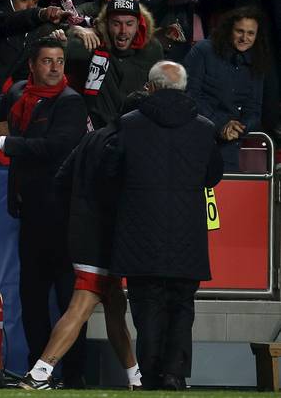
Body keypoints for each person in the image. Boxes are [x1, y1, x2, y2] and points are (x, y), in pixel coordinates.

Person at [0, 37, 89, 387]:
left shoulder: (71, 104)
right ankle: (40, 370)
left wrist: (2, 143)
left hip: (62, 215)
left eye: (59, 61)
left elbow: (55, 148)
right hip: (31, 214)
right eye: (47, 61)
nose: (55, 68)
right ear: (32, 66)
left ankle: (73, 375)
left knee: (67, 297)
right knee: (31, 296)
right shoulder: (20, 92)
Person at [109, 61, 224, 390]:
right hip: (188, 235)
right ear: (184, 88)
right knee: (182, 306)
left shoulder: (129, 125)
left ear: (152, 87)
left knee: (147, 307)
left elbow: (112, 170)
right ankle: (175, 374)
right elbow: (212, 175)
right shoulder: (204, 128)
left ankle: (152, 373)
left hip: (140, 234)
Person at [18, 92, 144, 390]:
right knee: (82, 304)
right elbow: (117, 193)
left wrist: (79, 216)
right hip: (102, 239)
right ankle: (40, 373)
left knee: (115, 305)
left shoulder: (93, 137)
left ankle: (135, 378)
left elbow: (62, 180)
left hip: (84, 233)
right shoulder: (123, 144)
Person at [183, 7, 267, 172]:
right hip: (197, 139)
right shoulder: (203, 51)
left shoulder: (257, 61)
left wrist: (238, 129)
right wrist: (220, 125)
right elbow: (190, 96)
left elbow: (254, 110)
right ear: (229, 29)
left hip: (230, 145)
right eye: (239, 31)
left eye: (251, 33)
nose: (244, 38)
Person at [64, 0, 164, 129]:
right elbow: (54, 49)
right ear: (106, 24)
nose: (123, 31)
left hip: (140, 129)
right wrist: (76, 31)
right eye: (116, 24)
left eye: (129, 24)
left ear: (139, 24)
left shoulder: (152, 49)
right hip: (98, 131)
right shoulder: (94, 43)